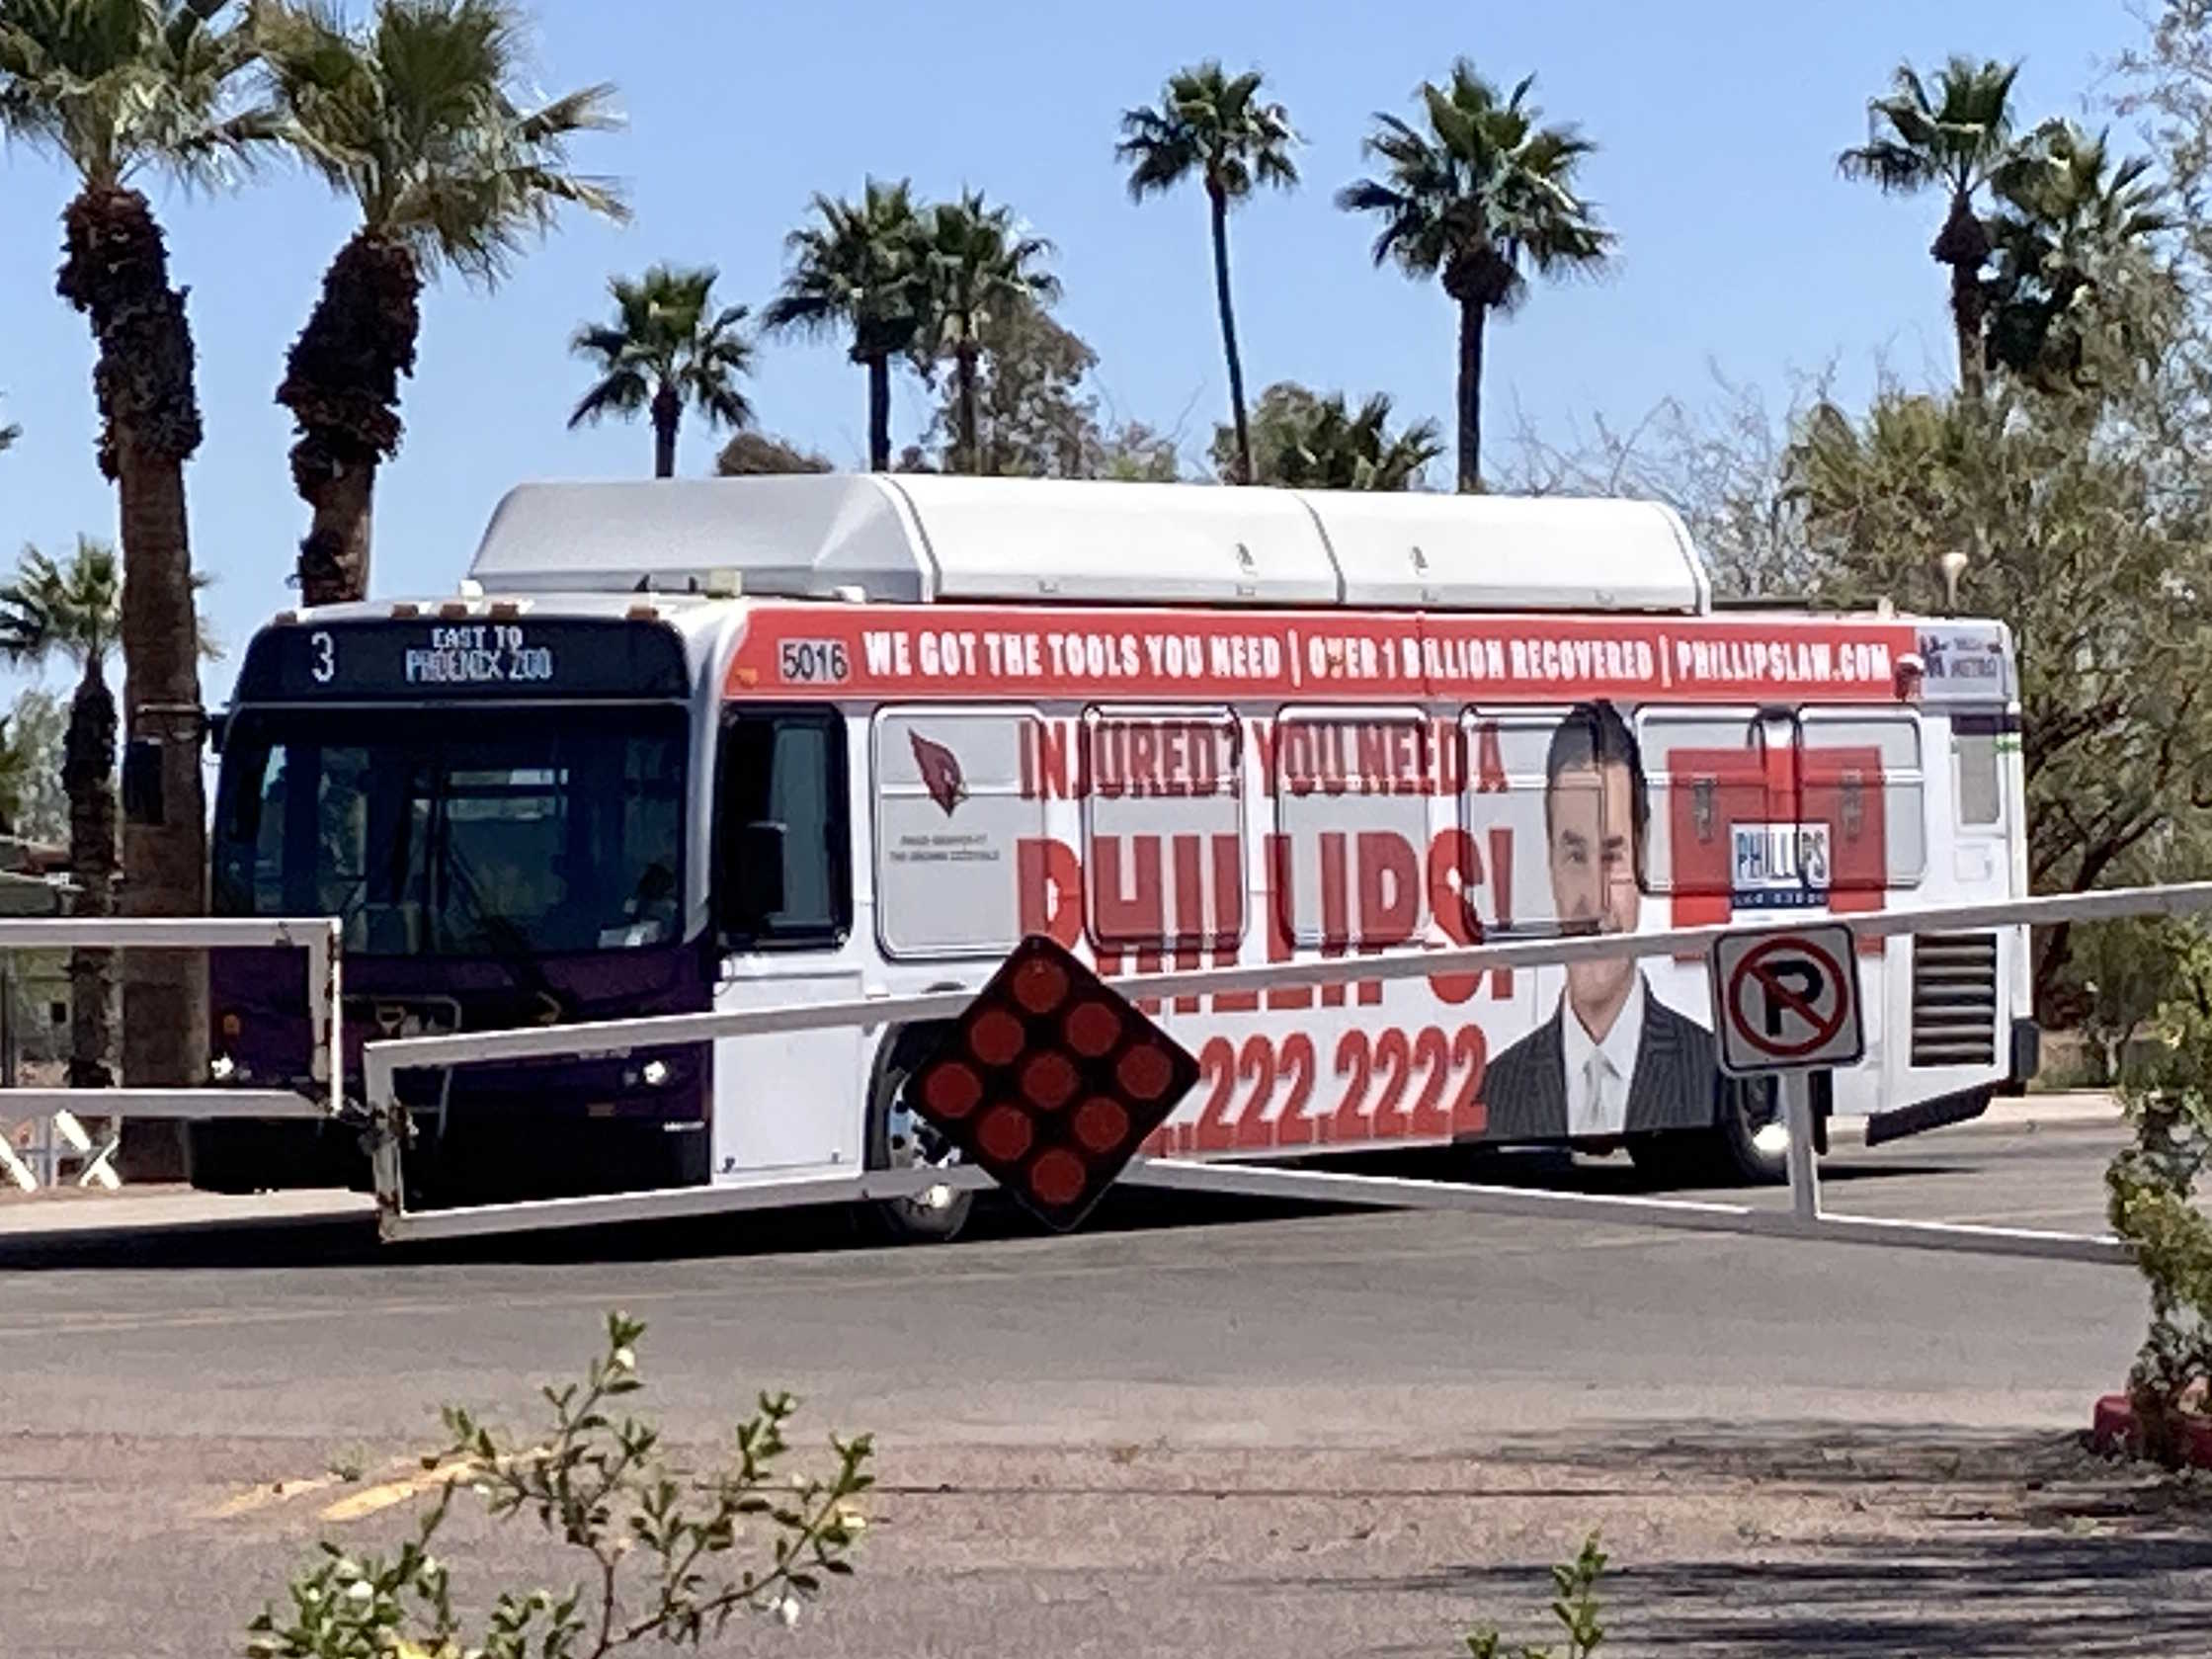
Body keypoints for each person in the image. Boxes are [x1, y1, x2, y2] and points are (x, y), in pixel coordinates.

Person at [1481, 702, 1716, 1141]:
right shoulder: (1497, 1085)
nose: (1595, 901)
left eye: (1612, 857)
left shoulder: (1708, 1066)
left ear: (1644, 859)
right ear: (1549, 864)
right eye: (1574, 857)